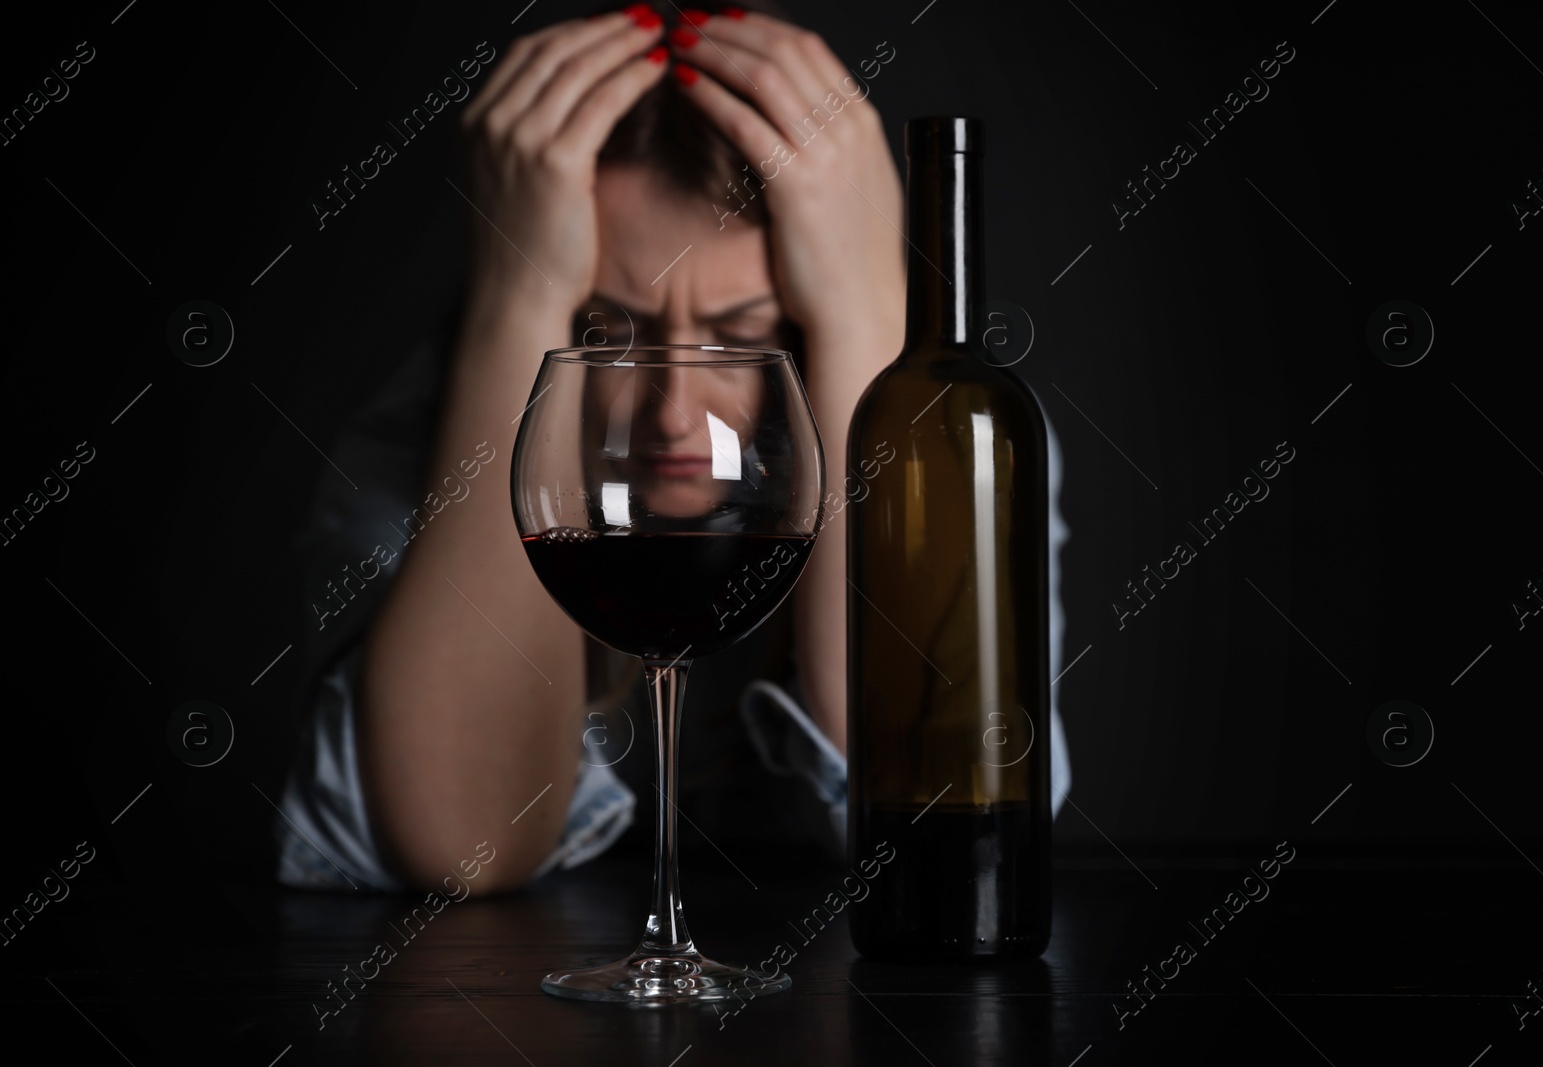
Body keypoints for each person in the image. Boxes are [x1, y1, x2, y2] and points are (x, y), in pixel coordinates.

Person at [273, 2, 1070, 894]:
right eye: (609, 333)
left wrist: (868, 310)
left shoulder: (941, 430)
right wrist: (519, 305)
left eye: (739, 337)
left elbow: (942, 809)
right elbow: (466, 845)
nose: (673, 412)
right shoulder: (433, 434)